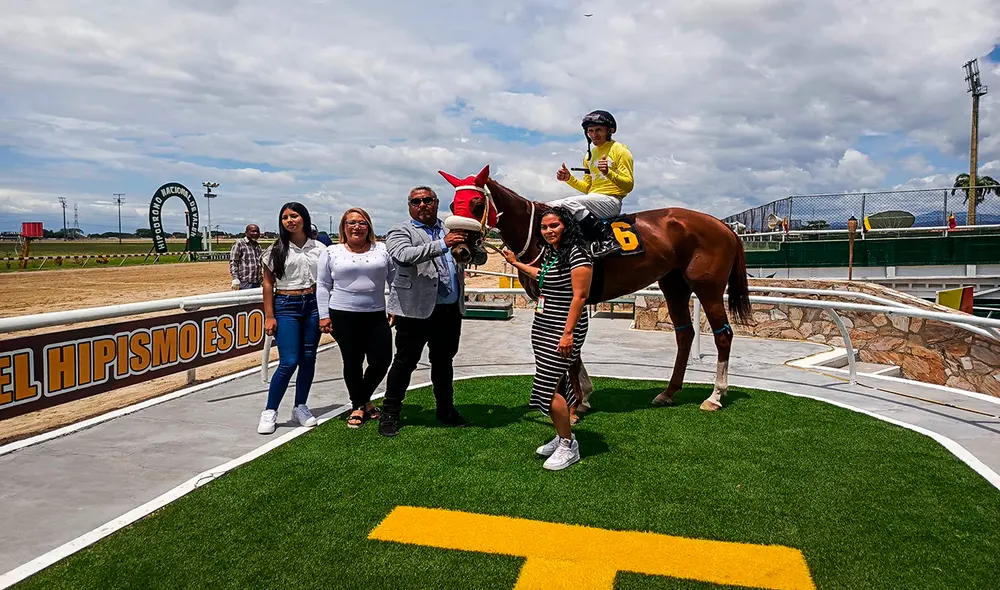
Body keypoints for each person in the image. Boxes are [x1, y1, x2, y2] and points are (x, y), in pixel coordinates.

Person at [502, 206, 593, 470]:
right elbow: (541, 275)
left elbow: (580, 296)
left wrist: (568, 334)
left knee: (546, 384)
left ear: (566, 226)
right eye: (544, 227)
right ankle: (562, 434)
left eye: (554, 225)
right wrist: (515, 263)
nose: (549, 231)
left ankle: (568, 444)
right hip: (543, 324)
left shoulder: (578, 253)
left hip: (563, 327)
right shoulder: (554, 254)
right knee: (554, 384)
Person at [378, 186, 468, 437]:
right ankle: (390, 412)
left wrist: (475, 244)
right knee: (405, 362)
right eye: (416, 201)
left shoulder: (452, 228)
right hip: (413, 310)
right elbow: (403, 256)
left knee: (443, 361)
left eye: (428, 200)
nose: (423, 204)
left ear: (437, 203)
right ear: (409, 206)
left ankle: (445, 409)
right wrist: (442, 244)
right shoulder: (400, 231)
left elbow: (476, 258)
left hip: (449, 309)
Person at [317, 207, 394, 429]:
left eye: (361, 223)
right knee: (352, 362)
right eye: (351, 223)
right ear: (343, 227)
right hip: (342, 315)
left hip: (376, 314)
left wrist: (395, 307)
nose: (356, 227)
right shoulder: (332, 252)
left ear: (368, 226)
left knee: (381, 361)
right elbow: (322, 286)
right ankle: (359, 405)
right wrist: (323, 315)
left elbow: (394, 280)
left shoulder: (382, 249)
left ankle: (363, 398)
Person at [257, 202, 325, 435]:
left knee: (308, 358)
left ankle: (300, 406)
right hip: (286, 305)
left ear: (304, 218)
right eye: (285, 217)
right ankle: (270, 410)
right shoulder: (275, 250)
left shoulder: (320, 248)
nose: (290, 220)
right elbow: (268, 284)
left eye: (294, 216)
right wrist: (269, 316)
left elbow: (327, 280)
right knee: (289, 360)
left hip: (314, 305)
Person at [550, 110, 634, 258]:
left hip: (611, 201)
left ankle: (607, 239)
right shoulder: (589, 156)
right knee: (546, 207)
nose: (594, 134)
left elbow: (629, 186)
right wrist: (569, 179)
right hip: (595, 198)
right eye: (590, 131)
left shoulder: (620, 150)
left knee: (568, 203)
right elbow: (589, 188)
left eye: (598, 130)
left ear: (610, 130)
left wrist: (609, 173)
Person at [229, 223, 262, 289]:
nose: (255, 233)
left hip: (257, 282)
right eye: (253, 231)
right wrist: (235, 278)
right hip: (244, 282)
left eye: (257, 231)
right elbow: (234, 261)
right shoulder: (240, 243)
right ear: (246, 233)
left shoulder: (257, 246)